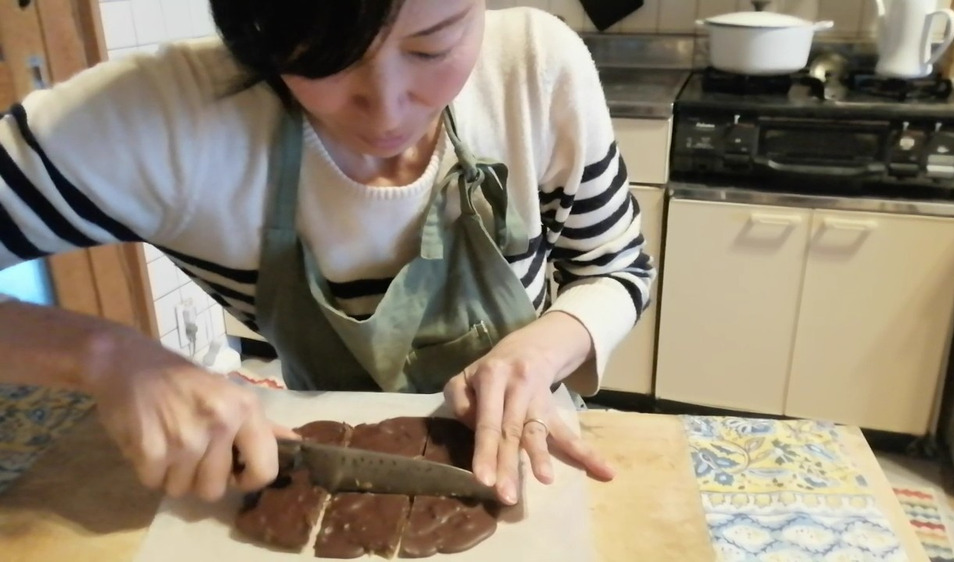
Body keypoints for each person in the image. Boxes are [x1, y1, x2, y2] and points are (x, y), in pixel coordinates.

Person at [0, 0, 654, 507]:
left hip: (532, 463)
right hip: (319, 479)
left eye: (433, 46)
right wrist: (104, 356)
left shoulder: (534, 72)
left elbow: (617, 268)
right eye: (325, 57)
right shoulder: (163, 125)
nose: (387, 110)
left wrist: (541, 351)